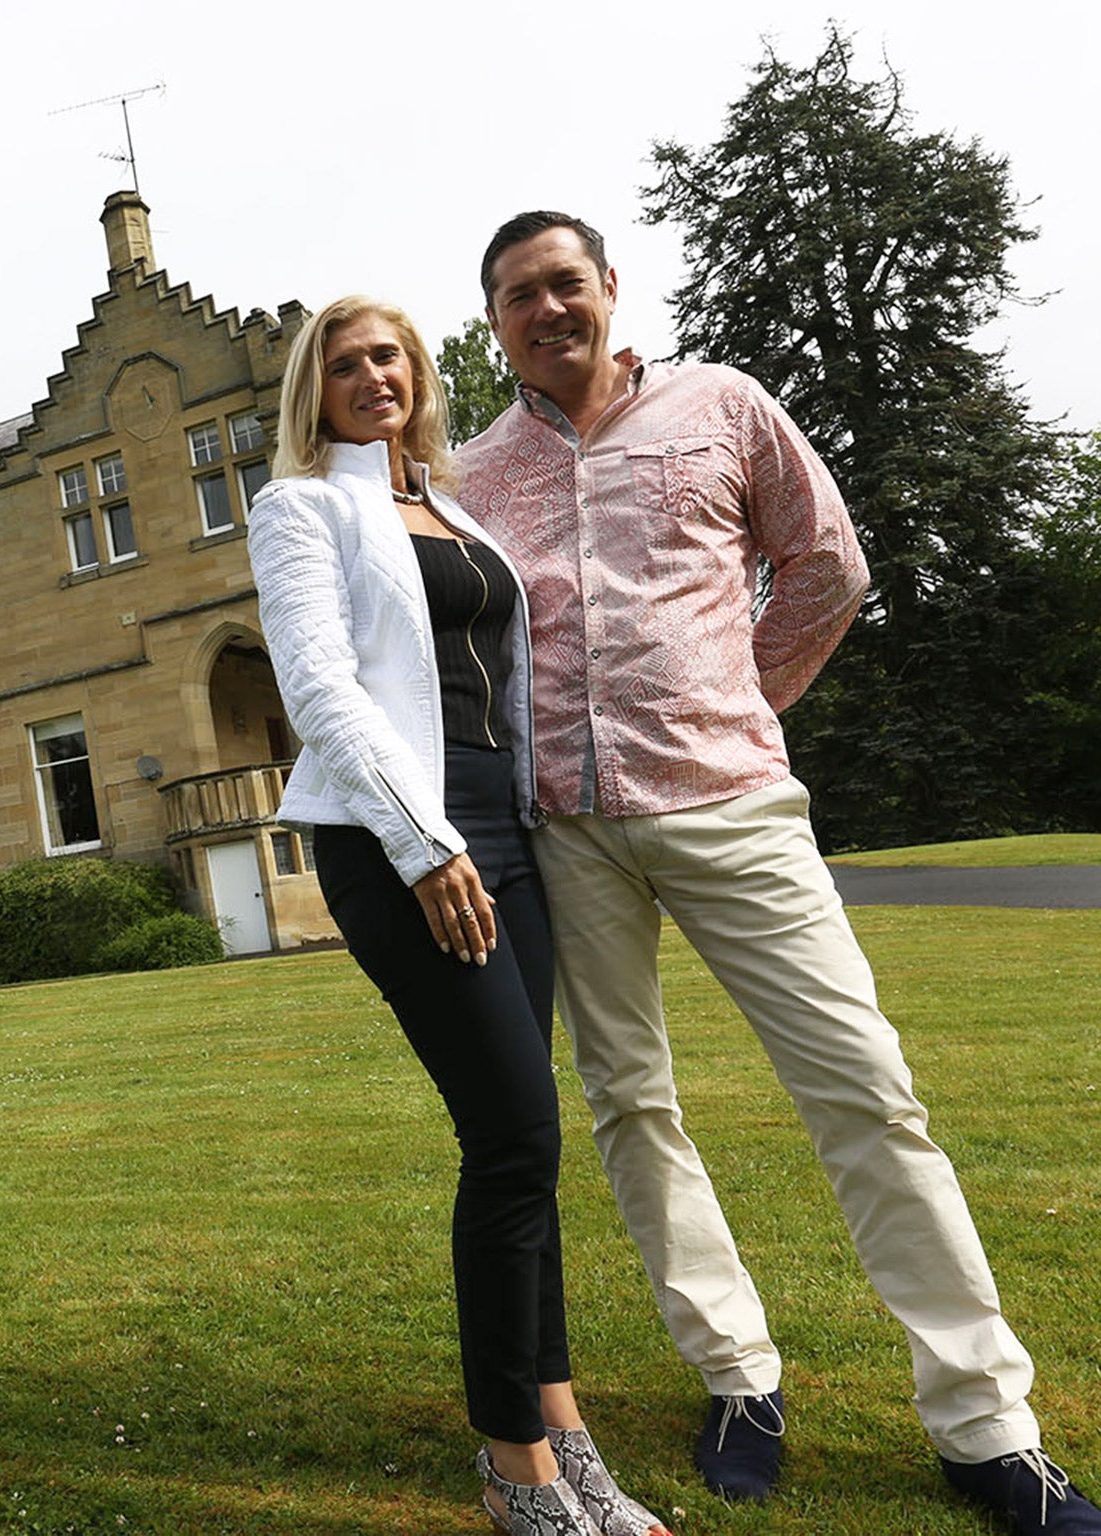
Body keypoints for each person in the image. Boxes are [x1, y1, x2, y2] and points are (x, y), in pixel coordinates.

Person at [454, 209, 1101, 1535]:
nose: (546, 309)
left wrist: (738, 700)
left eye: (564, 282)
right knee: (631, 1106)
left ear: (610, 289)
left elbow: (828, 565)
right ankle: (737, 1375)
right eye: (518, 295)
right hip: (567, 831)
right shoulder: (473, 477)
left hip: (732, 807)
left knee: (866, 1089)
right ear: (495, 323)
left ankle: (985, 1428)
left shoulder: (723, 406)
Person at [247, 294, 668, 1536]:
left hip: (511, 837)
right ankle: (511, 1466)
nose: (370, 375)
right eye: (341, 363)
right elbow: (319, 686)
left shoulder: (451, 506)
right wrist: (422, 843)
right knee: (510, 1140)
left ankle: (561, 1426)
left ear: (419, 372)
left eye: (388, 355)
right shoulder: (301, 507)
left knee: (528, 1142)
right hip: (399, 846)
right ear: (310, 390)